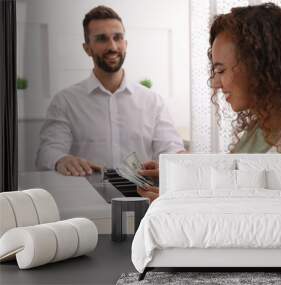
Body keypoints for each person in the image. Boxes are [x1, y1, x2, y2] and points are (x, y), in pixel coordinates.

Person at [138, 3, 281, 202]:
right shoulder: (261, 129)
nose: (215, 83)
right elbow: (235, 189)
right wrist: (177, 175)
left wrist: (177, 204)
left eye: (221, 70)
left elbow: (266, 230)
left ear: (259, 67)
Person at [36, 6, 185, 176]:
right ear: (87, 48)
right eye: (101, 39)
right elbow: (46, 153)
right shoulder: (65, 102)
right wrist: (61, 159)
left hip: (143, 198)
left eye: (118, 38)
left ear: (126, 44)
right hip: (85, 199)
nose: (112, 46)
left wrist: (182, 158)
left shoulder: (153, 101)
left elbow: (171, 150)